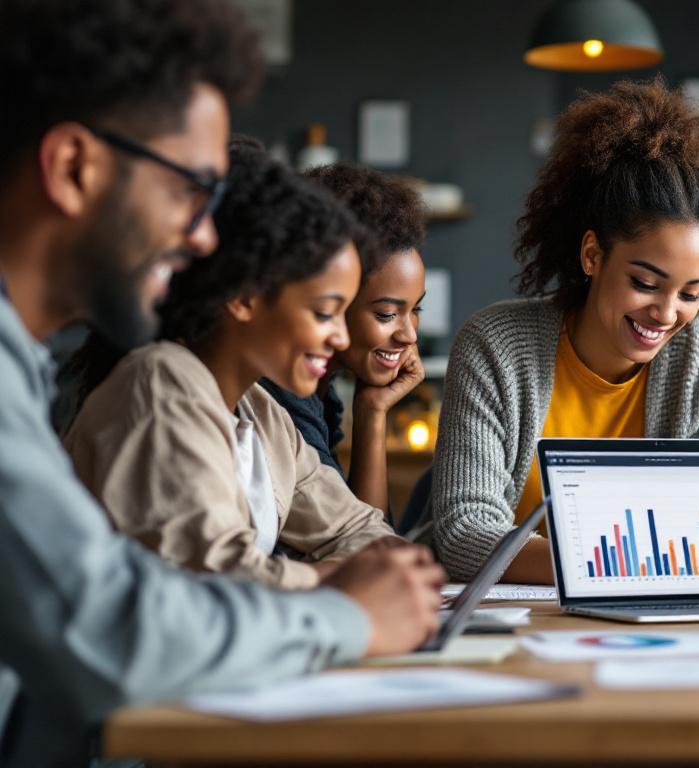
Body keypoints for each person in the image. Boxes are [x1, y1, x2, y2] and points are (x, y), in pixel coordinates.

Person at [0, 2, 442, 763]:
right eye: (189, 190)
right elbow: (116, 627)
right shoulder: (150, 381)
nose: (207, 236)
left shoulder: (25, 370)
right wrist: (349, 612)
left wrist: (373, 582)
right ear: (74, 168)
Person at [431, 79, 699, 584]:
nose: (667, 313)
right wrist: (619, 562)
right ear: (593, 255)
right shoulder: (495, 346)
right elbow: (465, 533)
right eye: (646, 283)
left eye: (691, 293)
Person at [64, 138, 403, 590]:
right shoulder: (160, 384)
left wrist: (377, 571)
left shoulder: (261, 414)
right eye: (324, 312)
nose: (340, 337)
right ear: (243, 298)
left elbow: (362, 531)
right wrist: (337, 579)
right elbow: (216, 582)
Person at [260, 162, 427, 516]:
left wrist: (372, 411)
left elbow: (359, 534)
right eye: (386, 314)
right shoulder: (279, 397)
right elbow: (365, 545)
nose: (409, 334)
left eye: (416, 310)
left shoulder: (323, 395)